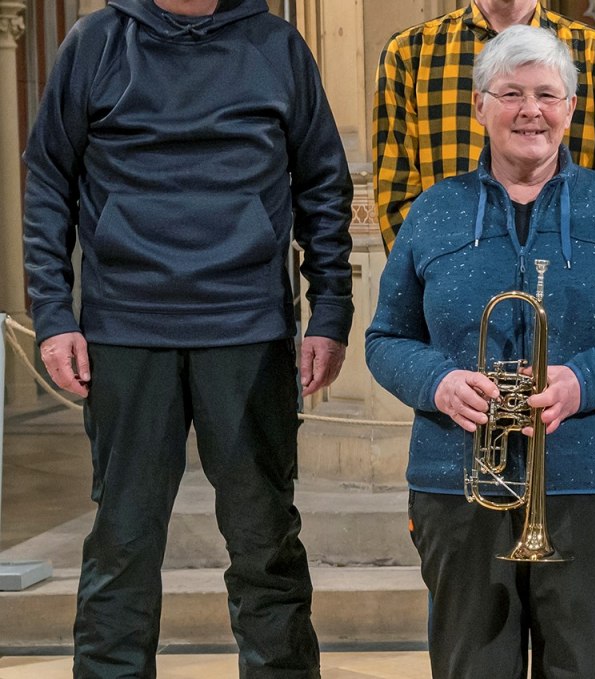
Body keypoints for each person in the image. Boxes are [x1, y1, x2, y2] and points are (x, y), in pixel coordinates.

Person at [22, 0, 352, 676]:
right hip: (125, 328)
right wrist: (54, 315)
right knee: (124, 543)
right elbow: (49, 181)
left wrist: (331, 311)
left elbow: (323, 183)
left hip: (249, 329)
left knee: (265, 542)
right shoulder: (96, 42)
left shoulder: (277, 46)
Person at [365, 25, 595, 679]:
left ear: (570, 108)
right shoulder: (434, 210)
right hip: (459, 485)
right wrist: (438, 382)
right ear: (480, 105)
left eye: (547, 93)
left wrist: (582, 380)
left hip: (592, 482)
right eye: (510, 93)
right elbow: (384, 339)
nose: (529, 111)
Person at [375, 0, 595, 250]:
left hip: (572, 274)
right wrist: (443, 273)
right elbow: (396, 197)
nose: (530, 110)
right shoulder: (411, 53)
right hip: (450, 277)